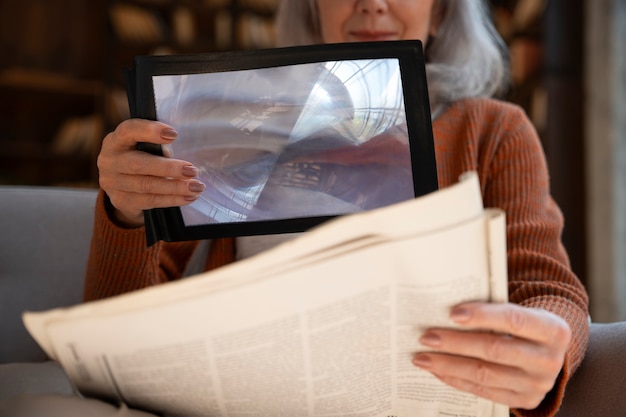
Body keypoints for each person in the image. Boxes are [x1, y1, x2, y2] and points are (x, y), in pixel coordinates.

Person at [1, 1, 589, 417]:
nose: (372, 4)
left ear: (440, 12)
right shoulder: (236, 117)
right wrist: (125, 214)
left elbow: (548, 287)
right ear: (311, 6)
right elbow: (115, 326)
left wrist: (550, 345)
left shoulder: (492, 128)